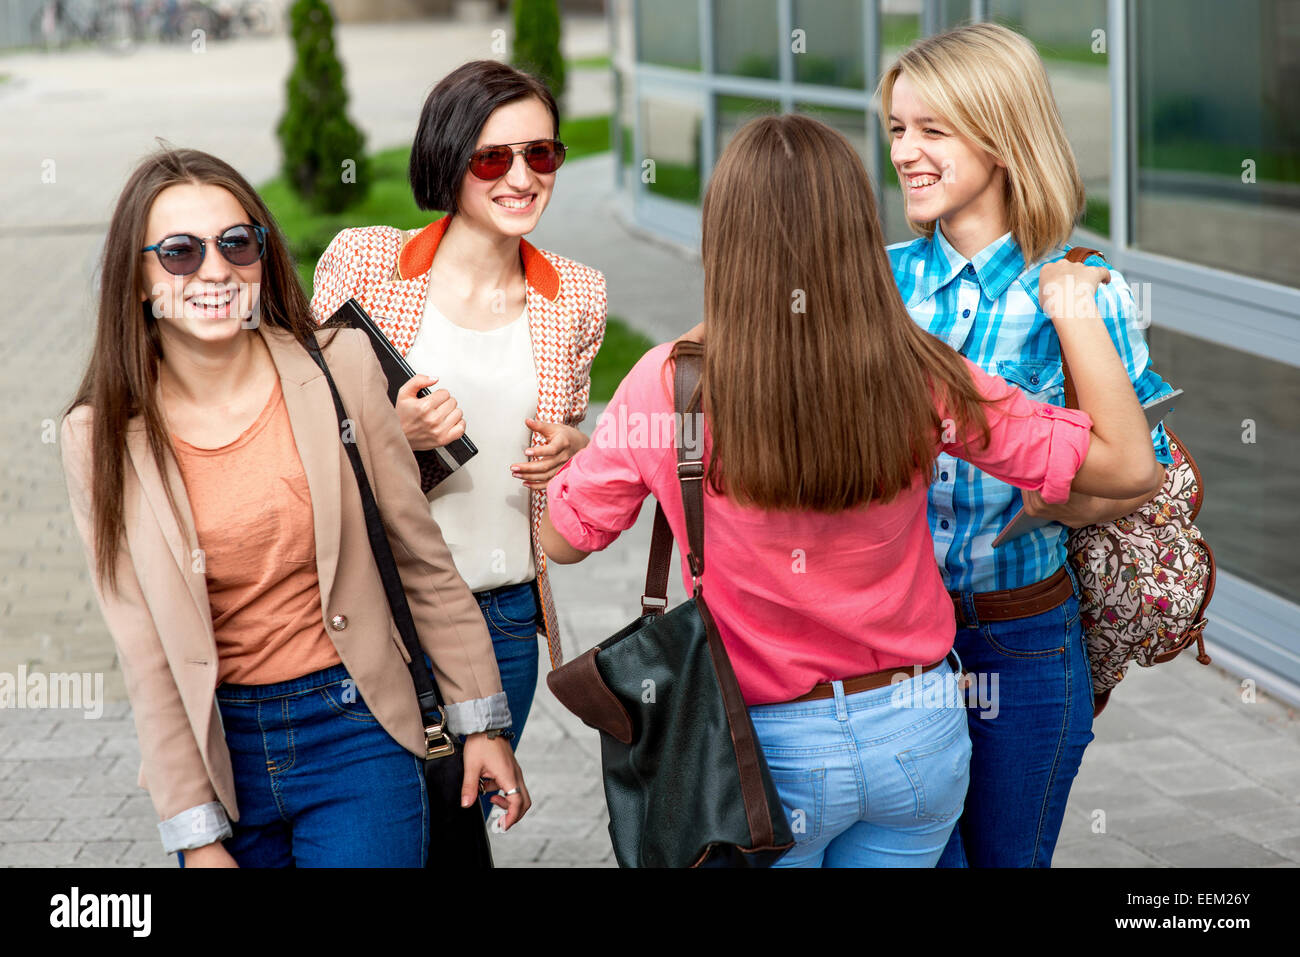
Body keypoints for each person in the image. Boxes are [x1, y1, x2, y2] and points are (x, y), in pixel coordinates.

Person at [536, 113, 1163, 868]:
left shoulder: (667, 386)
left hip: (760, 754)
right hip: (917, 734)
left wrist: (570, 463)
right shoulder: (921, 369)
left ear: (724, 237)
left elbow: (564, 541)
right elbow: (1129, 467)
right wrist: (1073, 306)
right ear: (855, 231)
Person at [60, 147, 529, 868]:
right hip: (225, 751)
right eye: (180, 252)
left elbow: (419, 556)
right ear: (139, 277)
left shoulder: (338, 367)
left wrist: (483, 723)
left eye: (236, 243)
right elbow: (147, 653)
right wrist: (196, 832)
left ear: (261, 253)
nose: (215, 270)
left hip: (359, 732)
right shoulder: (98, 437)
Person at [881, 22, 1175, 867]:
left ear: (1003, 136)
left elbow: (1134, 479)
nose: (906, 151)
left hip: (1024, 639)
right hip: (895, 646)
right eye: (898, 129)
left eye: (933, 130)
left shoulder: (1084, 291)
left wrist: (1046, 501)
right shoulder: (875, 283)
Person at [310, 60, 607, 818]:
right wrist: (393, 434)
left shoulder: (577, 295)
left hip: (505, 619)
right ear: (448, 160)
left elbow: (567, 508)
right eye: (493, 157)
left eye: (541, 154)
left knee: (453, 828)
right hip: (382, 609)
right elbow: (305, 439)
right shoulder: (363, 263)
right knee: (380, 826)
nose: (523, 176)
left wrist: (576, 459)